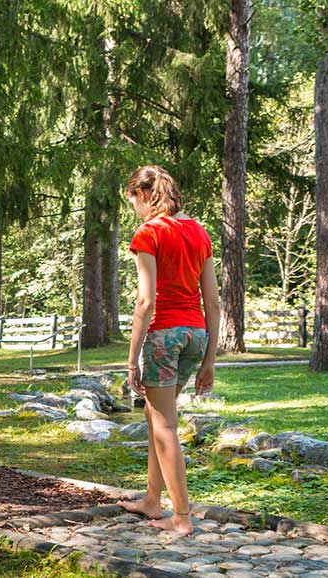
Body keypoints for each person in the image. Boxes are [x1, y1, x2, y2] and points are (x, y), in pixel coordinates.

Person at [115, 165, 220, 535]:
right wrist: (209, 361)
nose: (136, 211)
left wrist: (131, 362)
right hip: (196, 336)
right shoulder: (198, 232)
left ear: (143, 195)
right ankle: (151, 500)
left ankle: (181, 518)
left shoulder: (149, 232)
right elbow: (214, 303)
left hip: (165, 337)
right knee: (155, 419)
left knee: (165, 426)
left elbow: (145, 302)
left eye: (134, 203)